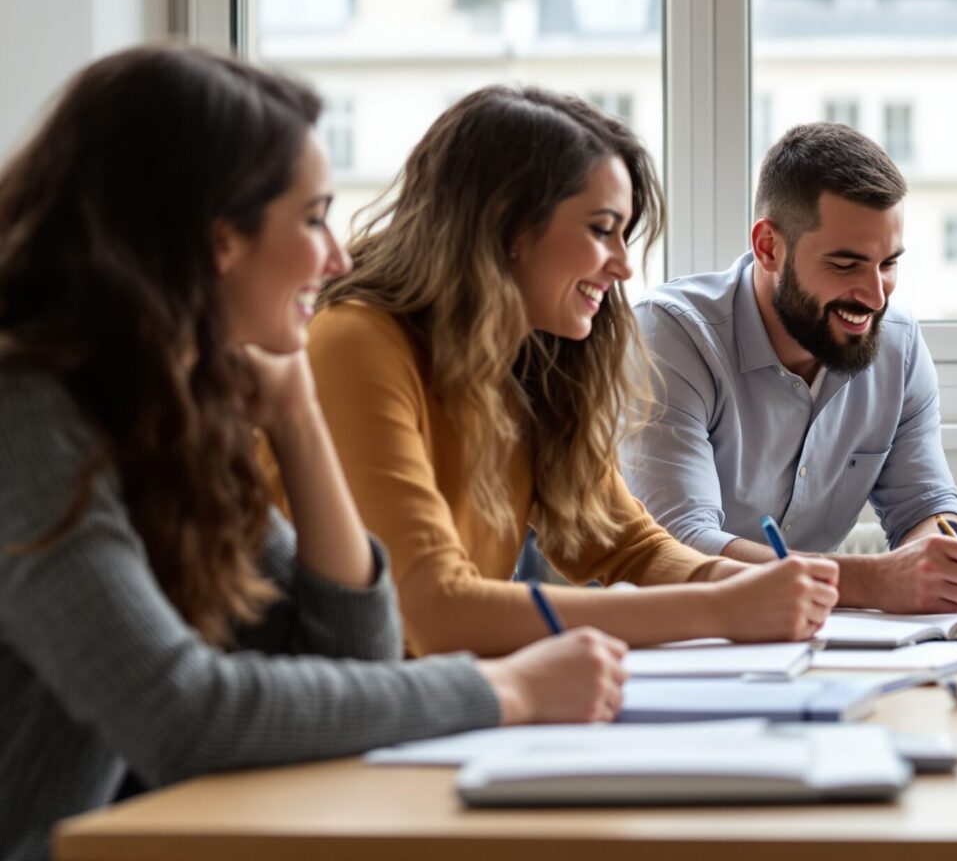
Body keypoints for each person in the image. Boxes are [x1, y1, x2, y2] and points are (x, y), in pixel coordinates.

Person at [0, 46, 626, 861]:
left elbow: (351, 651)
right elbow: (182, 712)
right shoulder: (26, 416)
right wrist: (500, 689)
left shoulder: (160, 412)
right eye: (312, 217)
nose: (335, 257)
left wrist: (298, 422)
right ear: (219, 238)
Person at [309, 87, 838, 656]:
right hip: (335, 728)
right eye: (600, 229)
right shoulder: (355, 342)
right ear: (508, 225)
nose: (623, 264)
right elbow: (431, 610)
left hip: (441, 710)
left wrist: (740, 584)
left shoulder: (531, 363)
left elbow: (626, 545)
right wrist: (716, 608)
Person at [624, 123, 957, 614]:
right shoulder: (671, 336)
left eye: (888, 264)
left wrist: (939, 551)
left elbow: (928, 506)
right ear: (769, 247)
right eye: (846, 265)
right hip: (660, 642)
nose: (876, 296)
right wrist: (872, 581)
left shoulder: (897, 344)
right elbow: (680, 547)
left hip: (810, 640)